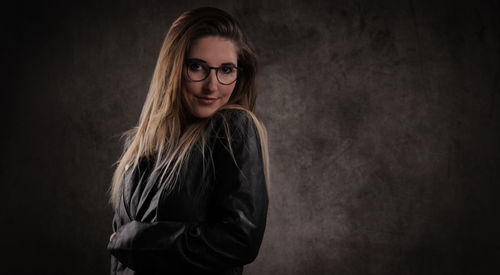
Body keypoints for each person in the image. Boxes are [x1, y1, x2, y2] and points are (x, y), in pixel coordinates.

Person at [106, 7, 270, 275]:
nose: (212, 86)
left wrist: (136, 240)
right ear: (172, 68)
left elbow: (241, 240)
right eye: (197, 67)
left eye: (226, 70)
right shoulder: (136, 146)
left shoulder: (233, 128)